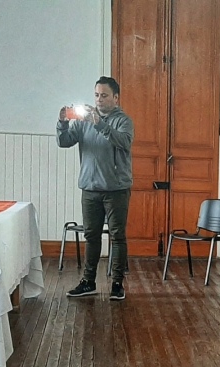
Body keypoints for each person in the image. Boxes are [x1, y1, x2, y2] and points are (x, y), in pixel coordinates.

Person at [57, 76, 134, 301]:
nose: (99, 100)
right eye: (96, 95)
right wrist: (62, 122)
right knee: (91, 236)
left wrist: (99, 124)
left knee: (117, 236)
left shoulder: (123, 121)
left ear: (116, 98)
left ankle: (117, 283)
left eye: (104, 95)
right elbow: (64, 142)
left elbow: (123, 142)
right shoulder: (83, 121)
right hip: (90, 188)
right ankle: (88, 281)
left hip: (116, 189)